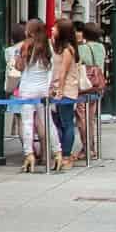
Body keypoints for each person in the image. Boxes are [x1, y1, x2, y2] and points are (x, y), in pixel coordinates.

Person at [12, 20, 54, 172]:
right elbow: (51, 68)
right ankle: (57, 152)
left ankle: (29, 154)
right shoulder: (47, 46)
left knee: (27, 123)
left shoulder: (26, 45)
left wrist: (18, 56)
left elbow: (19, 67)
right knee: (48, 122)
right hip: (43, 89)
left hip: (28, 89)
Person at [51, 20, 84, 171]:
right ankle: (63, 153)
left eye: (55, 28)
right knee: (59, 122)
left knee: (66, 122)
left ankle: (66, 155)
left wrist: (60, 90)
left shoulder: (67, 50)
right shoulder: (60, 48)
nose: (52, 29)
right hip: (60, 90)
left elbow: (63, 72)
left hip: (66, 91)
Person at [76, 23, 107, 151]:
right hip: (97, 84)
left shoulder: (82, 48)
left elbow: (79, 63)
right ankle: (91, 147)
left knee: (82, 118)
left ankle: (87, 147)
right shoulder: (101, 47)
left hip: (85, 85)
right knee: (91, 117)